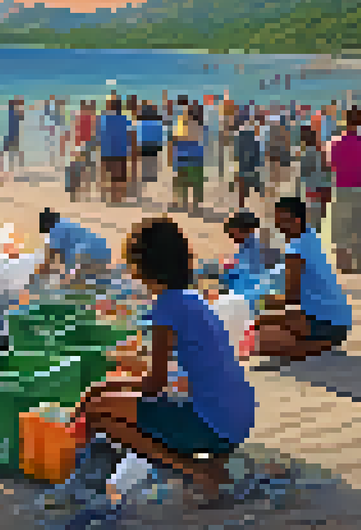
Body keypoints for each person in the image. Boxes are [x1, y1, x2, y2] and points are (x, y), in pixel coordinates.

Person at [74, 217, 254, 508]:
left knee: (98, 412)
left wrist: (101, 389)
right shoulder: (192, 299)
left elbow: (155, 385)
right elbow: (182, 375)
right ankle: (209, 465)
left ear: (141, 265)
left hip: (215, 423)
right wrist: (108, 386)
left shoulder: (166, 307)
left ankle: (198, 472)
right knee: (106, 400)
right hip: (239, 416)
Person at [244, 197, 352, 365]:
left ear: (296, 220)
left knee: (261, 334)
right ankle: (319, 343)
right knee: (261, 323)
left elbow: (291, 298)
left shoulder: (296, 250)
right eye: (277, 221)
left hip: (324, 321)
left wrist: (261, 302)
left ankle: (316, 345)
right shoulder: (310, 237)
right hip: (337, 321)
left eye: (281, 221)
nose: (278, 226)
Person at [326, 107, 361, 274]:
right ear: (360, 121)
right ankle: (357, 264)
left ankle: (342, 263)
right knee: (358, 225)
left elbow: (330, 164)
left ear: (344, 121)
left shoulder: (335, 142)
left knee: (341, 226)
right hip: (360, 187)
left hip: (341, 187)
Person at [40, 208, 114, 284]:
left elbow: (52, 256)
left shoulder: (56, 232)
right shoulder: (66, 223)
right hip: (103, 251)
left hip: (92, 255)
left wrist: (69, 273)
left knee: (79, 282)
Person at [220, 211, 282, 296]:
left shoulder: (262, 250)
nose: (232, 237)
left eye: (233, 233)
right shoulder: (243, 250)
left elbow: (265, 283)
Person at [97, 98, 136, 206]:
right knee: (119, 176)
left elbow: (99, 135)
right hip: (120, 151)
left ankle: (110, 196)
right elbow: (131, 135)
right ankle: (118, 197)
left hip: (107, 151)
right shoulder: (125, 119)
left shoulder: (104, 119)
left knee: (108, 175)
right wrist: (132, 150)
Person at [171, 103, 207, 213]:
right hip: (198, 157)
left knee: (182, 181)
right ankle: (196, 205)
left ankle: (183, 203)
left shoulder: (183, 124)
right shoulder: (202, 127)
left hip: (184, 156)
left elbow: (176, 139)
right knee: (196, 182)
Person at [297, 126, 332, 228]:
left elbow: (304, 176)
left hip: (313, 192)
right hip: (321, 190)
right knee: (321, 220)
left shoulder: (307, 155)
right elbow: (326, 173)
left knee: (313, 222)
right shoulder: (321, 153)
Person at [231, 117, 264, 211]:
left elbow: (236, 153)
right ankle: (243, 208)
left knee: (243, 190)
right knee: (246, 189)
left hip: (244, 168)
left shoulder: (241, 137)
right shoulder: (254, 138)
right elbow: (257, 154)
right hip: (249, 168)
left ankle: (241, 208)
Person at [136, 102, 166, 198]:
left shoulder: (142, 122)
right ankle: (152, 179)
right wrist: (160, 146)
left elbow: (139, 135)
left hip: (144, 145)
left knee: (145, 163)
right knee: (153, 162)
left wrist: (138, 145)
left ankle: (146, 180)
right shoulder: (157, 122)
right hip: (153, 145)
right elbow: (159, 135)